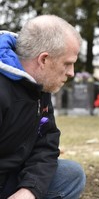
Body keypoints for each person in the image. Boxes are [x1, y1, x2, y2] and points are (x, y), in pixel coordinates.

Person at [0, 15, 86, 198]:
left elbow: (46, 143)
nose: (71, 73)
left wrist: (30, 189)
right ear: (44, 60)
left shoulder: (38, 88)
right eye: (67, 63)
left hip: (10, 178)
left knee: (71, 175)